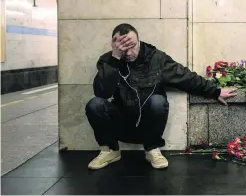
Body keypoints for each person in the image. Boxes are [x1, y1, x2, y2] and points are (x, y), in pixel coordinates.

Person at [85, 23, 237, 170]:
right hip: (122, 121)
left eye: (132, 47)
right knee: (94, 104)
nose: (130, 53)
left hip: (148, 123)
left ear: (138, 41)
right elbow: (101, 93)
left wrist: (215, 91)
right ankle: (110, 150)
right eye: (124, 49)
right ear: (115, 46)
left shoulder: (155, 59)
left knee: (157, 101)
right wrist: (115, 58)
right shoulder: (108, 61)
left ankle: (152, 149)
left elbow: (185, 77)